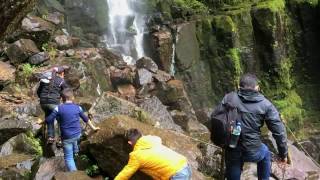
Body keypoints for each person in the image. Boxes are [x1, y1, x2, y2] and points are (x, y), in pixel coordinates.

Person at [219, 73, 288, 180]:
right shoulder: (266, 105)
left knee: (233, 160)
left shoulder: (228, 98)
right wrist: (283, 154)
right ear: (257, 88)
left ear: (238, 87)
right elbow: (279, 132)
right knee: (265, 154)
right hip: (253, 150)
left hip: (232, 146)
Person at [44, 88, 100, 171]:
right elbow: (86, 119)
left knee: (69, 158)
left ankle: (75, 174)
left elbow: (49, 120)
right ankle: (76, 151)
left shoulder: (58, 108)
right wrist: (94, 128)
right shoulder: (78, 108)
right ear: (72, 97)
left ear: (62, 99)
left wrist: (41, 122)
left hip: (67, 137)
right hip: (78, 134)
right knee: (74, 139)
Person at [115, 128, 192, 180]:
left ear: (130, 143)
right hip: (185, 165)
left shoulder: (136, 156)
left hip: (177, 174)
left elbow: (125, 173)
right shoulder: (154, 140)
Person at [37, 66, 68, 145]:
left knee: (49, 116)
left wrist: (43, 98)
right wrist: (64, 102)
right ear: (62, 73)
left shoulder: (46, 78)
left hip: (43, 103)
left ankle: (51, 137)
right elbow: (66, 93)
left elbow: (38, 91)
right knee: (60, 119)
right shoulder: (61, 81)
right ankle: (60, 140)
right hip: (53, 103)